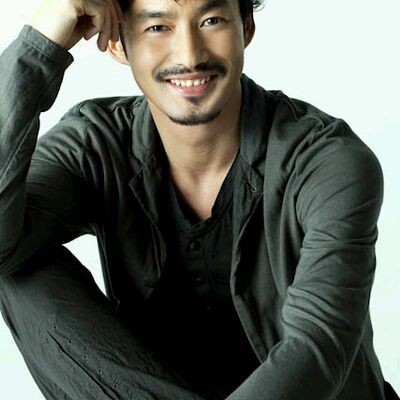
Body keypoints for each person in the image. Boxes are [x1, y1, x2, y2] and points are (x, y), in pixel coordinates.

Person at [0, 0, 398, 398]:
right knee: (13, 261)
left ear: (246, 27)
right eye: (158, 27)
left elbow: (319, 348)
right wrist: (39, 46)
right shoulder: (96, 145)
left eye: (211, 21)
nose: (190, 56)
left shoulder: (326, 161)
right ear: (119, 44)